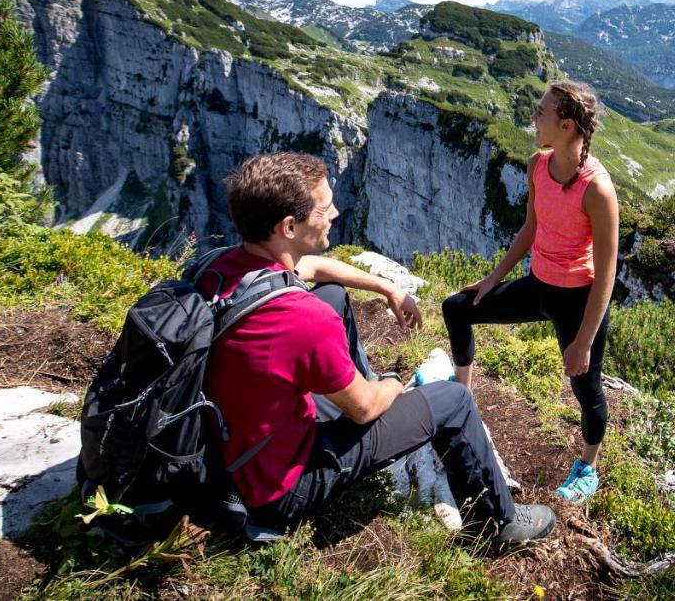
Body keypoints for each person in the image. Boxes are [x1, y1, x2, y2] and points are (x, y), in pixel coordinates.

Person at [201, 152, 555, 543]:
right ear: (288, 226)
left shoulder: (221, 269)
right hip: (282, 487)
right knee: (453, 400)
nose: (335, 212)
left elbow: (316, 271)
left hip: (232, 448)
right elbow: (365, 407)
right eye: (324, 207)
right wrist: (391, 384)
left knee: (333, 295)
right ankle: (499, 524)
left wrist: (387, 286)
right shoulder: (301, 318)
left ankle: (357, 384)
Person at [442, 81, 619, 504]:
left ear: (567, 125)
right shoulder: (537, 165)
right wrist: (491, 280)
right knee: (457, 308)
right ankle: (460, 400)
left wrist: (583, 342)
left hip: (577, 300)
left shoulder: (597, 189)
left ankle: (588, 468)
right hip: (538, 284)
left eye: (541, 113)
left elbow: (607, 275)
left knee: (586, 389)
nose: (533, 117)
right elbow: (531, 228)